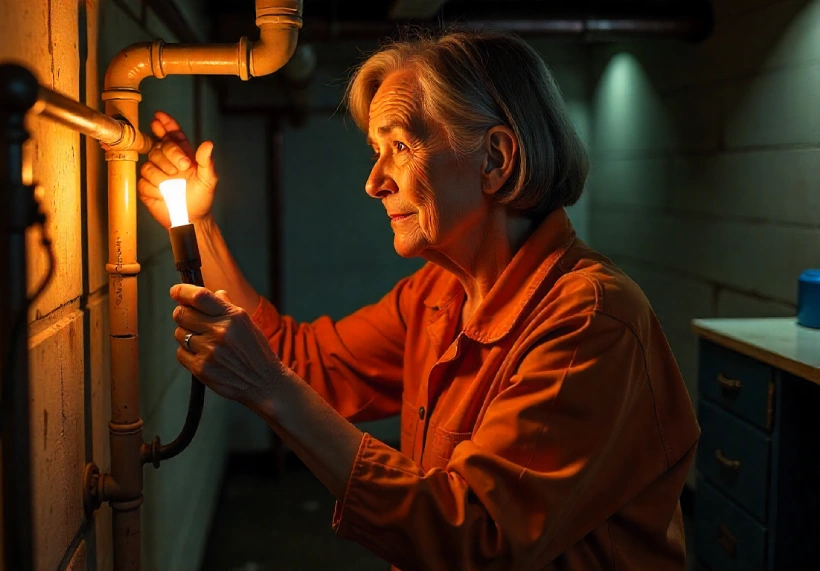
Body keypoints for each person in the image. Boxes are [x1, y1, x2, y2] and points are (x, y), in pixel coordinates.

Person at [138, 30, 699, 571]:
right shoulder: (440, 292)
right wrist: (199, 224)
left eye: (400, 146)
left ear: (496, 159)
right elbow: (302, 364)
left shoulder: (588, 319)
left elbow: (477, 541)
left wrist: (266, 386)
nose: (374, 181)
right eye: (376, 151)